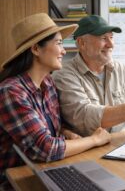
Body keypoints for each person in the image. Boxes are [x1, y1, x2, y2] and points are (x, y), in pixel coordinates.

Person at [0, 13, 112, 189]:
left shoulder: (48, 83)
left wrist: (66, 133)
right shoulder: (11, 92)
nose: (64, 50)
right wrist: (94, 140)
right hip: (16, 181)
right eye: (59, 43)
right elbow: (46, 148)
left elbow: (50, 130)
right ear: (36, 49)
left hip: (45, 169)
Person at [52, 15, 125, 136]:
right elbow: (84, 117)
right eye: (103, 38)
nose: (111, 44)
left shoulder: (122, 70)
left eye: (111, 37)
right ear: (82, 43)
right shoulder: (64, 75)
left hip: (123, 145)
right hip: (87, 150)